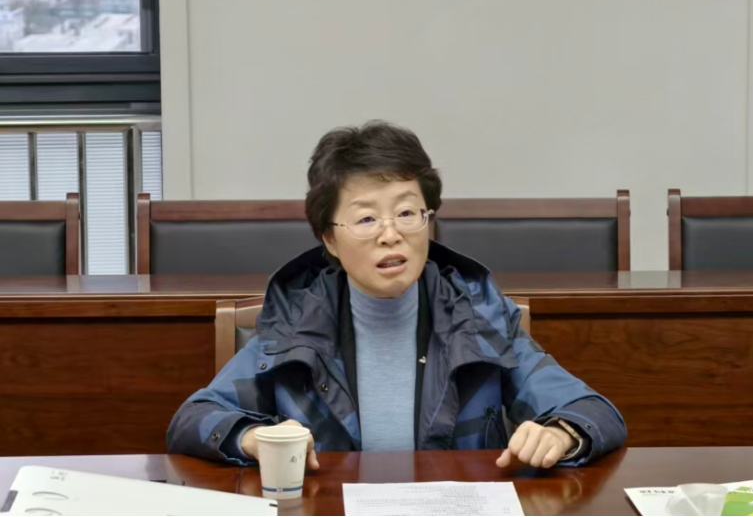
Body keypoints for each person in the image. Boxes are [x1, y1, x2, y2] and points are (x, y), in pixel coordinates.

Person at [167, 121, 626, 470]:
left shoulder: (477, 315)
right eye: (367, 219)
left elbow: (593, 411)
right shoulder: (297, 320)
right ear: (329, 239)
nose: (391, 235)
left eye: (407, 213)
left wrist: (563, 434)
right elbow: (194, 418)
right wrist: (251, 438)